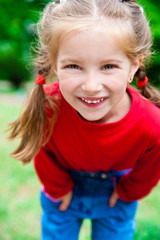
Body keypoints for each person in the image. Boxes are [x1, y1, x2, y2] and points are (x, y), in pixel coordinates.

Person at [8, 0, 160, 239]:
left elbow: (150, 167)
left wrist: (128, 192)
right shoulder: (49, 105)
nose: (91, 86)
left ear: (133, 66)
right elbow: (43, 148)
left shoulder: (151, 123)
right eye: (74, 66)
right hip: (62, 188)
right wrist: (59, 187)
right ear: (55, 64)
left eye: (108, 66)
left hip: (116, 195)